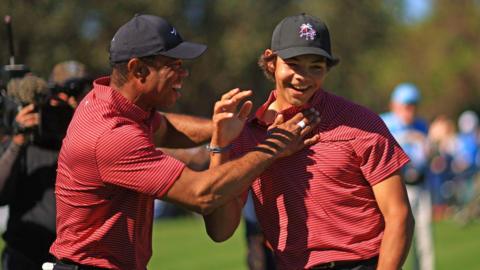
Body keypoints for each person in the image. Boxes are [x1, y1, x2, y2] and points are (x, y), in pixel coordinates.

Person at [49, 14, 320, 270]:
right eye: (174, 66)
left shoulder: (113, 103)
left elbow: (166, 128)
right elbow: (202, 194)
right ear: (138, 69)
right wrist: (273, 146)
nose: (184, 74)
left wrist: (234, 129)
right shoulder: (111, 135)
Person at [204, 13, 415, 270]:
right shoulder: (248, 135)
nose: (303, 77)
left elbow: (399, 214)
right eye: (293, 64)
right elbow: (220, 230)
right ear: (271, 62)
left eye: (315, 66)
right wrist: (220, 146)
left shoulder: (361, 123)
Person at [0, 73, 80, 270]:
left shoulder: (76, 143)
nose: (51, 117)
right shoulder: (20, 144)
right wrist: (18, 140)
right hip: (24, 254)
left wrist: (78, 122)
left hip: (69, 258)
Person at [381, 83, 434, 270]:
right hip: (395, 188)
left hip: (420, 185)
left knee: (424, 238)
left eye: (413, 105)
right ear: (394, 105)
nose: (409, 110)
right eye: (406, 105)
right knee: (396, 237)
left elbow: (426, 157)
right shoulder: (384, 122)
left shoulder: (421, 125)